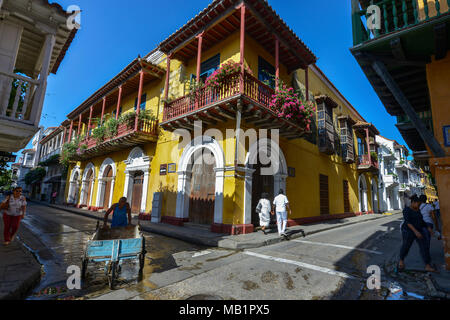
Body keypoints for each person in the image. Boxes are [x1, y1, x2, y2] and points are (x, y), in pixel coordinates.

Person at [398, 195, 436, 272]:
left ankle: (427, 265)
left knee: (424, 247)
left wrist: (428, 228)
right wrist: (416, 232)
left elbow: (421, 220)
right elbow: (408, 222)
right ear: (413, 203)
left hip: (418, 230)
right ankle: (401, 261)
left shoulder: (417, 210)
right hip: (408, 231)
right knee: (406, 246)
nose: (419, 206)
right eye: (418, 204)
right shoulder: (406, 210)